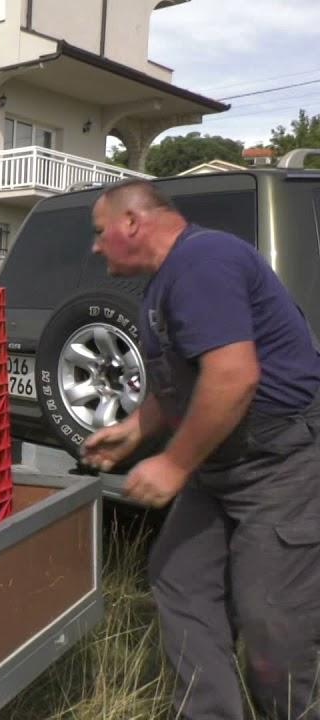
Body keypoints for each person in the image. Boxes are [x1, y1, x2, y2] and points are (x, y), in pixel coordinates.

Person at [81, 179, 320, 719]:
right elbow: (183, 383)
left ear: (133, 223)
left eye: (100, 233)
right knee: (179, 579)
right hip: (221, 466)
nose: (95, 247)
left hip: (281, 464)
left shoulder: (205, 260)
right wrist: (137, 430)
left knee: (270, 624)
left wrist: (174, 462)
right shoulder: (159, 289)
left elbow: (233, 378)